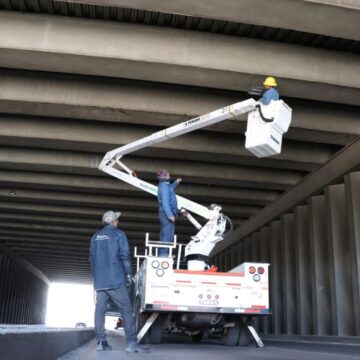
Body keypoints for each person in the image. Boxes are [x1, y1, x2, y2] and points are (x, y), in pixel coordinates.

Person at [89, 210, 150, 353]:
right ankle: (132, 343)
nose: (118, 222)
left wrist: (96, 277)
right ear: (114, 222)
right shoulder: (119, 234)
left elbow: (91, 259)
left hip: (100, 282)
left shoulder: (95, 237)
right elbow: (124, 256)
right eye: (117, 220)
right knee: (127, 311)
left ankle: (101, 342)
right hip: (116, 280)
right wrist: (129, 274)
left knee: (99, 311)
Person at [157, 170, 182, 256]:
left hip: (165, 212)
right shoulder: (164, 187)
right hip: (166, 213)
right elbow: (165, 203)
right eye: (167, 174)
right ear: (164, 176)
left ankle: (164, 252)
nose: (169, 175)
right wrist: (170, 215)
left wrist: (176, 182)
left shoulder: (165, 185)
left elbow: (170, 189)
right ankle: (163, 253)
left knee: (167, 233)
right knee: (167, 233)